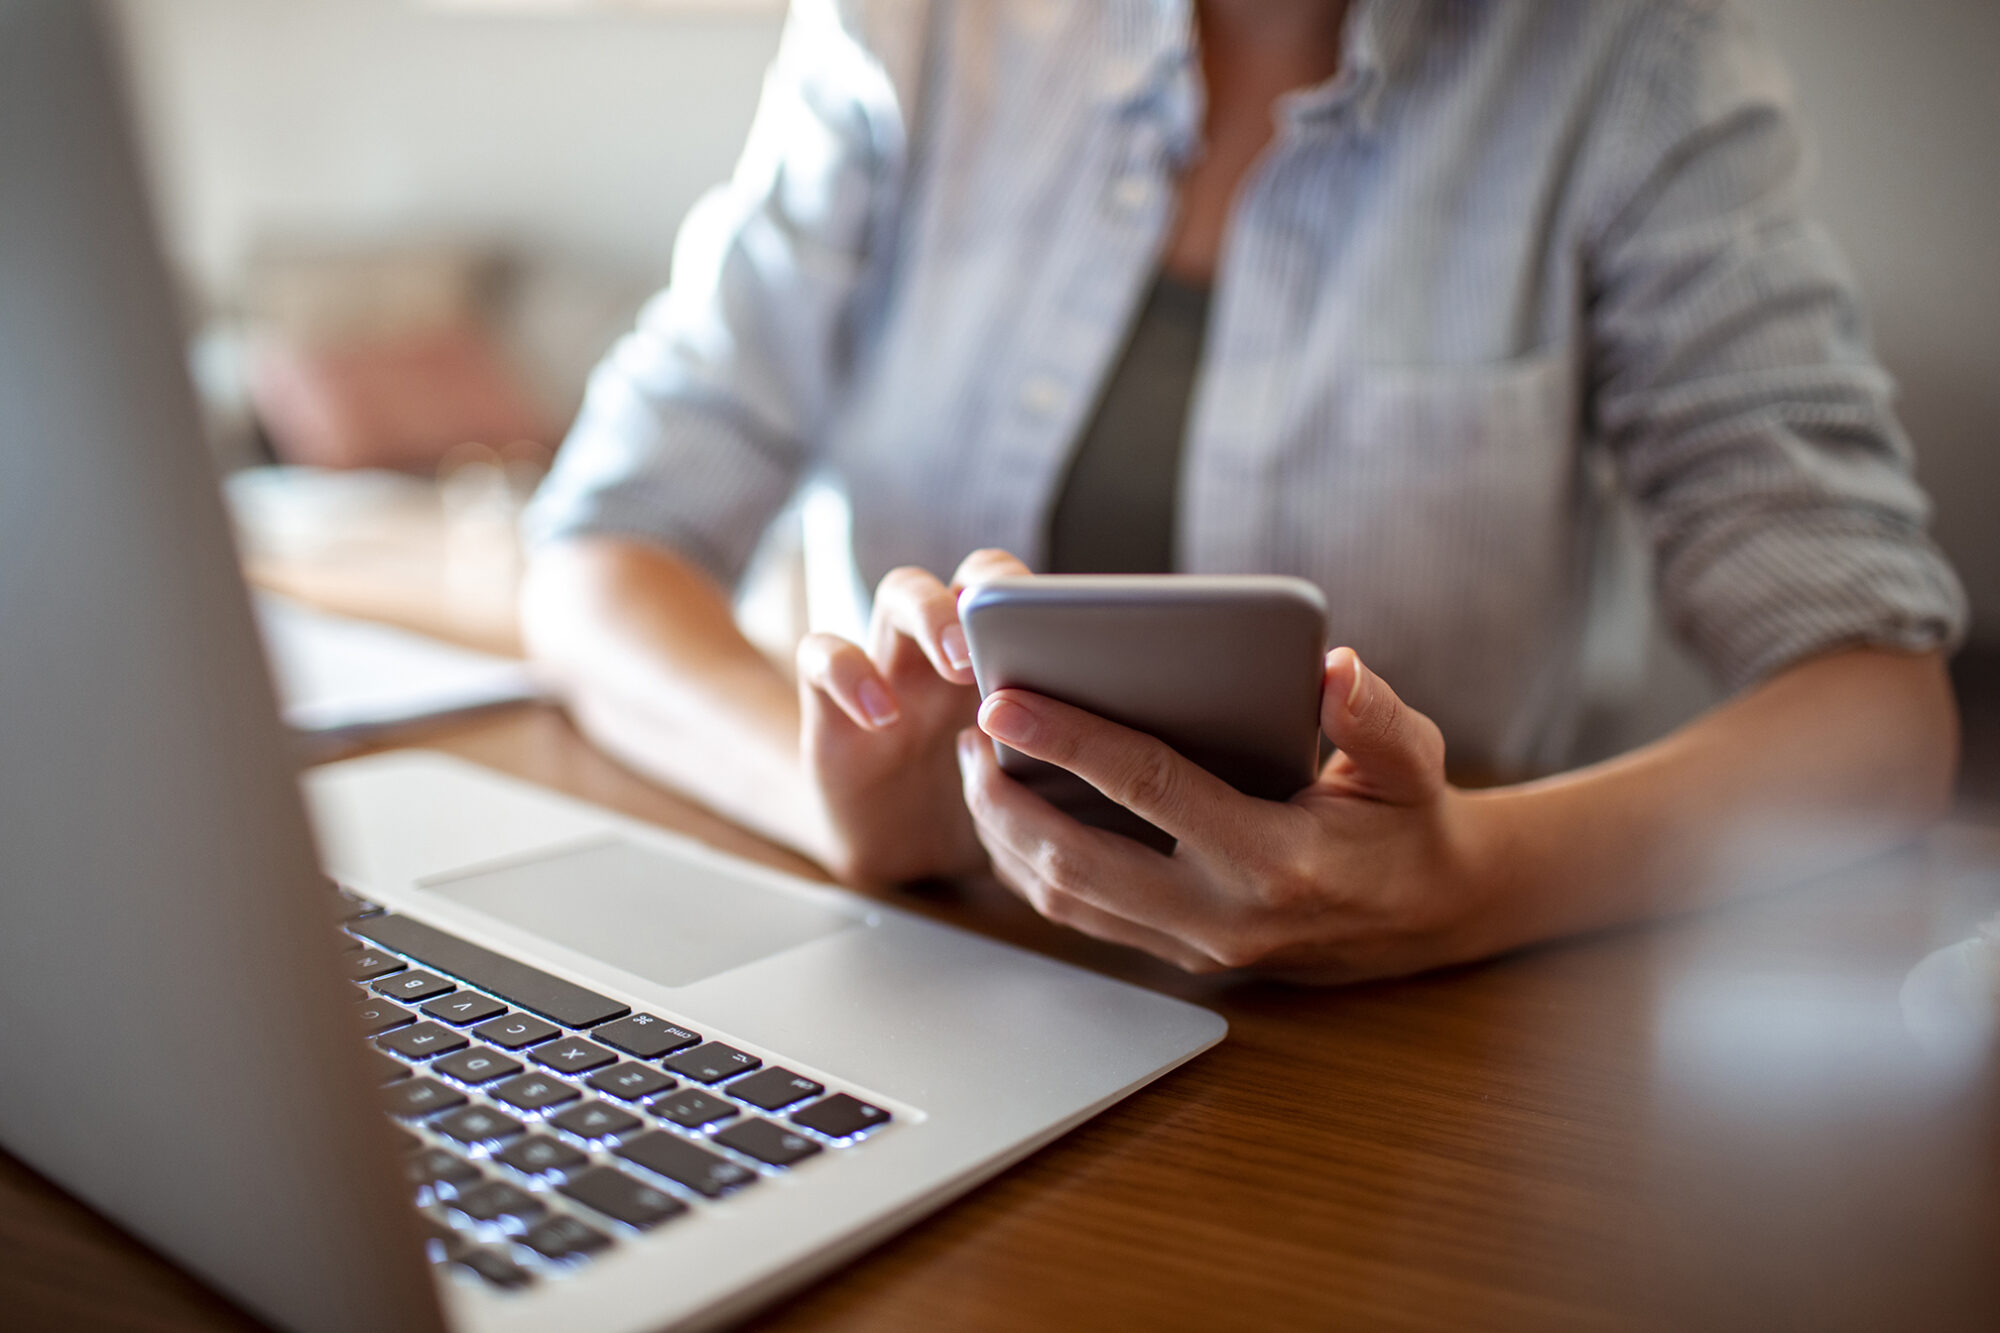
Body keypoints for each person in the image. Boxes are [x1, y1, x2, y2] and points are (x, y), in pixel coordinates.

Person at [521, 0, 1965, 981]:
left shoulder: (1631, 65)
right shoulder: (912, 27)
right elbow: (596, 552)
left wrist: (1461, 876)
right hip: (925, 979)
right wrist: (839, 804)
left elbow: (1881, 712)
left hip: (1389, 1064)